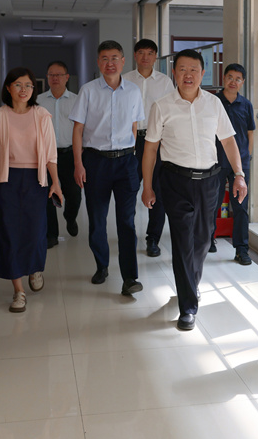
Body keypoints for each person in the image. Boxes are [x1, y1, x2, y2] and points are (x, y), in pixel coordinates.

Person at [141, 49, 247, 331]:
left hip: (209, 181)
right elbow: (150, 149)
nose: (188, 75)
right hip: (175, 181)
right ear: (174, 73)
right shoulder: (161, 106)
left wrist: (239, 175)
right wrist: (147, 186)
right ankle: (188, 307)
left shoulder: (214, 104)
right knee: (182, 241)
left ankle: (190, 283)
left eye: (194, 70)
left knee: (202, 240)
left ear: (203, 73)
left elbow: (228, 141)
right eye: (182, 69)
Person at [0, 67, 63, 313]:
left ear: (33, 89)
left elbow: (50, 153)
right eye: (18, 85)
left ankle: (35, 268)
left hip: (35, 180)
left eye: (28, 85)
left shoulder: (41, 115)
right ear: (8, 88)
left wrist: (55, 182)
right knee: (9, 233)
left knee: (36, 231)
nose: (23, 90)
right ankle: (18, 290)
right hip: (7, 180)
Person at [70, 40, 145, 296]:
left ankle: (130, 277)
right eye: (104, 58)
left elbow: (134, 126)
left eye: (114, 58)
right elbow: (78, 129)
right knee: (97, 220)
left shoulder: (133, 91)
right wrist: (78, 164)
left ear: (123, 61)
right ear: (98, 62)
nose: (110, 63)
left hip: (126, 162)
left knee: (127, 222)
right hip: (96, 162)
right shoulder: (88, 91)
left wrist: (131, 155)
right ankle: (102, 265)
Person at [122, 39, 175, 257]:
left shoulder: (165, 82)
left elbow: (171, 112)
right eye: (141, 53)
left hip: (157, 142)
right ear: (135, 55)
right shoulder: (124, 80)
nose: (145, 57)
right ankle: (128, 235)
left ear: (155, 57)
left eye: (150, 53)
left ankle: (153, 238)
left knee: (157, 191)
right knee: (129, 190)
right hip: (130, 141)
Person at [211, 63, 255, 265]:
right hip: (216, 161)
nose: (233, 82)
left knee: (240, 207)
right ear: (224, 78)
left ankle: (241, 249)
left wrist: (247, 158)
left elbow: (250, 134)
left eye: (238, 79)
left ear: (242, 82)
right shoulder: (213, 101)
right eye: (230, 77)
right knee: (212, 203)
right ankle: (208, 238)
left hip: (240, 165)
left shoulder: (246, 105)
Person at [37, 61, 82, 247]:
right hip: (45, 156)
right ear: (47, 77)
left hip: (69, 154)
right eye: (51, 75)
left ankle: (70, 217)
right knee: (47, 195)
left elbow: (83, 129)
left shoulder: (77, 100)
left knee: (74, 194)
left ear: (67, 77)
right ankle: (51, 235)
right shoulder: (38, 101)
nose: (55, 78)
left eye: (59, 75)